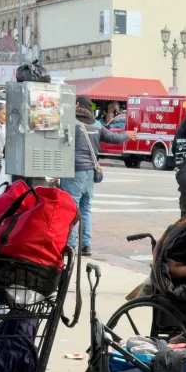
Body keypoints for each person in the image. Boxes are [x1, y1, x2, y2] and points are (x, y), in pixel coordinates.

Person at [62, 95, 132, 255]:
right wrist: (127, 135)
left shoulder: (71, 123)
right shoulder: (97, 125)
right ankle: (86, 245)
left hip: (75, 171)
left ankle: (70, 245)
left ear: (77, 105)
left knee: (72, 209)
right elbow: (114, 138)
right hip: (91, 171)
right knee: (86, 209)